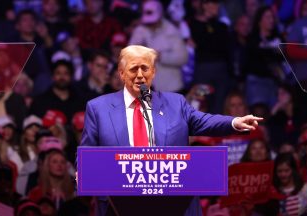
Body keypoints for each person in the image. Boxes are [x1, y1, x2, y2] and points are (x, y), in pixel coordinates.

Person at [80, 45, 263, 215]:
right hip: (118, 203)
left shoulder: (175, 103)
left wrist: (234, 122)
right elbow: (86, 152)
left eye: (145, 68)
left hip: (175, 201)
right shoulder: (98, 108)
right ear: (121, 73)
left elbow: (204, 121)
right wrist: (83, 172)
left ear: (154, 72)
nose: (140, 75)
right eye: (134, 69)